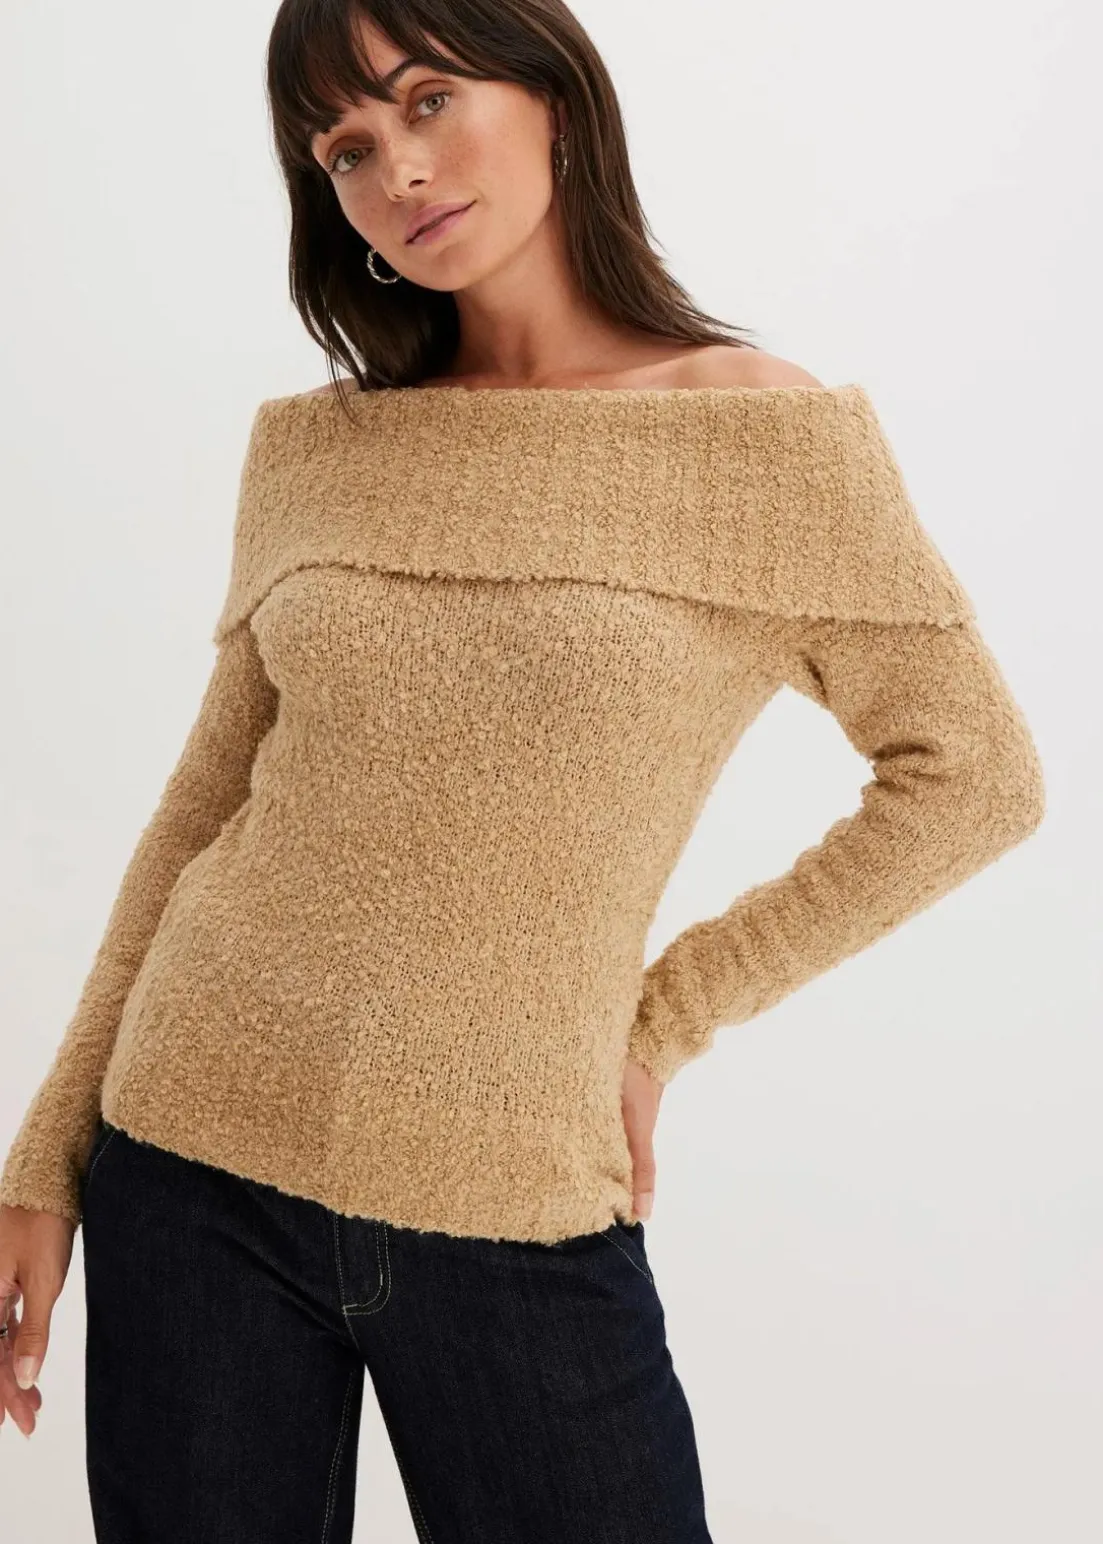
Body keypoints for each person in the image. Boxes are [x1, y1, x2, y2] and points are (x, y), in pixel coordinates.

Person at [0, 2, 1045, 1540]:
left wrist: (661, 1019)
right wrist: (48, 1156)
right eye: (347, 150)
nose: (397, 172)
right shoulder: (320, 449)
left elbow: (973, 778)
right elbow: (200, 812)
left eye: (428, 99)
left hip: (517, 1198)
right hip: (188, 1165)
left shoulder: (761, 443)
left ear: (555, 95)